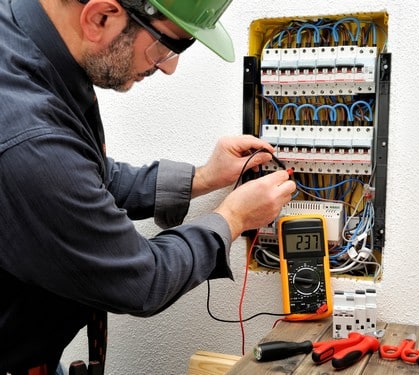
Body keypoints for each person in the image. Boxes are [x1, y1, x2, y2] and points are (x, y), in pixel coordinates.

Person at [0, 0, 296, 373]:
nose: (169, 66)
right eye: (168, 45)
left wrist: (203, 178)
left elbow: (85, 176)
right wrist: (232, 218)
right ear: (100, 17)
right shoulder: (27, 136)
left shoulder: (25, 42)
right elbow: (140, 280)